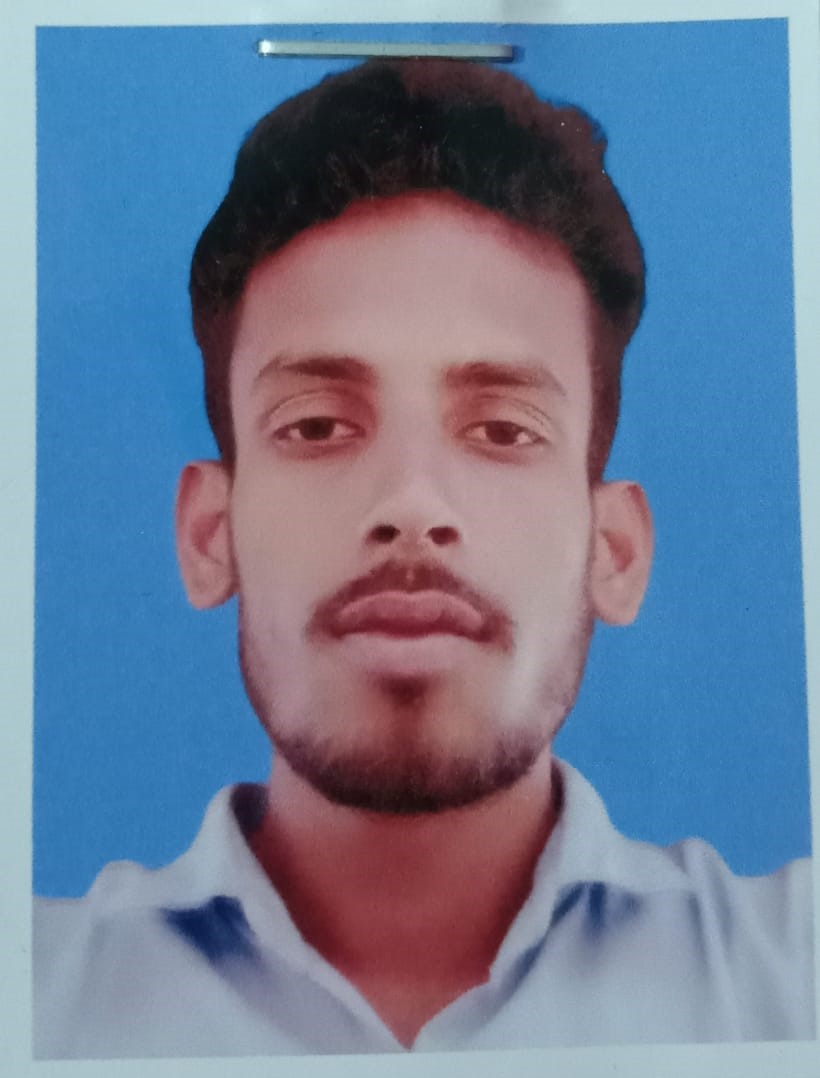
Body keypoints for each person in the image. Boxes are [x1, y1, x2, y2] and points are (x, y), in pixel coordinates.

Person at [33, 58, 813, 1058]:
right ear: (207, 535)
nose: (411, 503)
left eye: (502, 430)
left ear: (613, 550)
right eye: (317, 426)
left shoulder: (792, 978)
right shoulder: (35, 998)